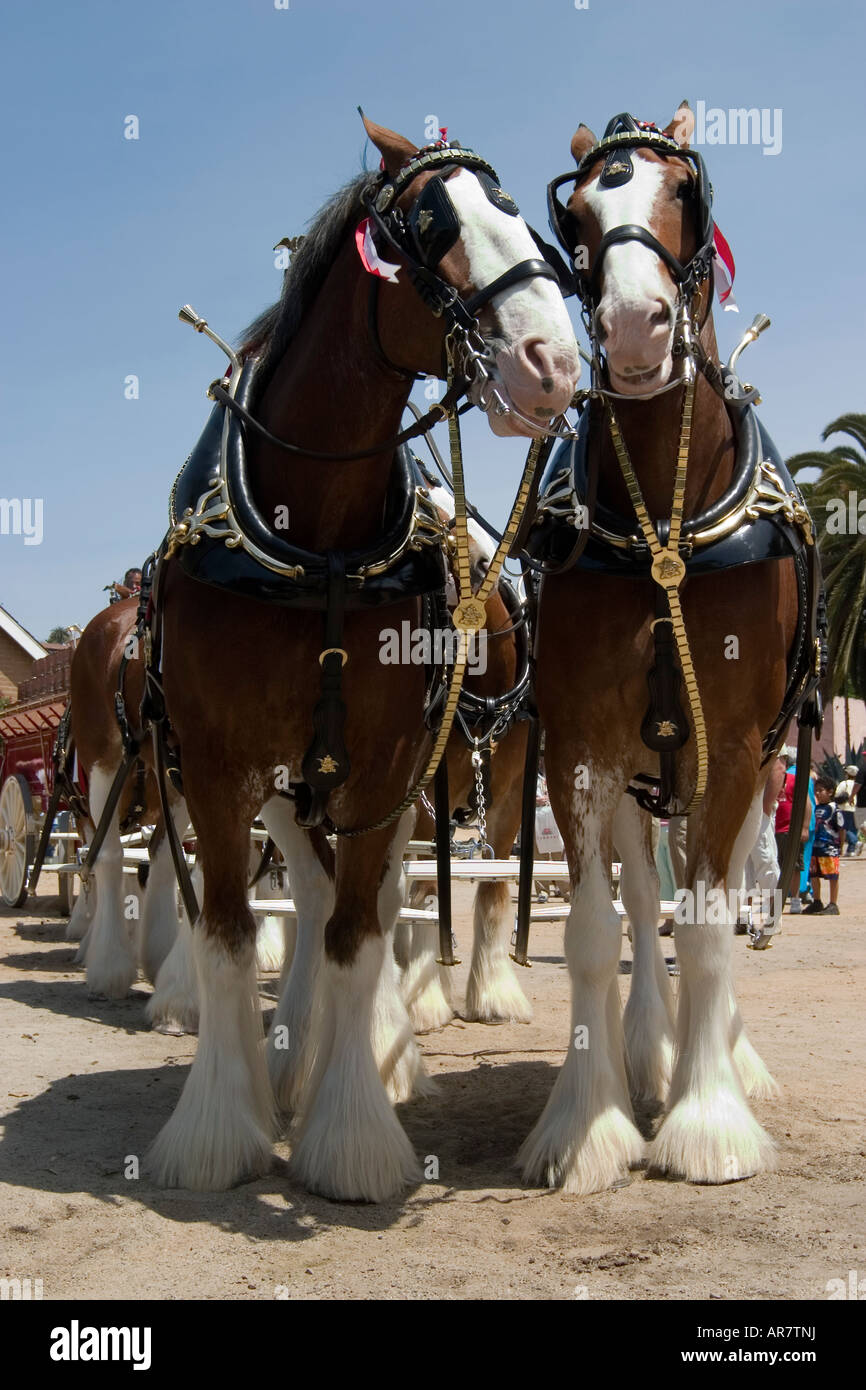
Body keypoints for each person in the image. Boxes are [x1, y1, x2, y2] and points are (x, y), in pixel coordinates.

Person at [802, 776, 846, 915]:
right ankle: (817, 901)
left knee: (832, 876)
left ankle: (833, 904)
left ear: (830, 792)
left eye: (821, 790)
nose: (818, 793)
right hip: (816, 847)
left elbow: (842, 828)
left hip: (830, 847)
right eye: (816, 791)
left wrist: (841, 846)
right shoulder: (816, 808)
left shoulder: (834, 809)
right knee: (814, 875)